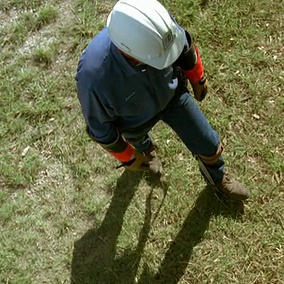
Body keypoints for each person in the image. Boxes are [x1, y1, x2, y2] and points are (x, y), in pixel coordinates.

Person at [75, 0, 250, 201]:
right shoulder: (94, 78)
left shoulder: (156, 26)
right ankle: (147, 152)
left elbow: (184, 47)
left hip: (172, 95)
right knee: (139, 142)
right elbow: (100, 128)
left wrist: (198, 77)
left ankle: (219, 181)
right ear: (128, 51)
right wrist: (128, 157)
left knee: (209, 143)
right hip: (133, 121)